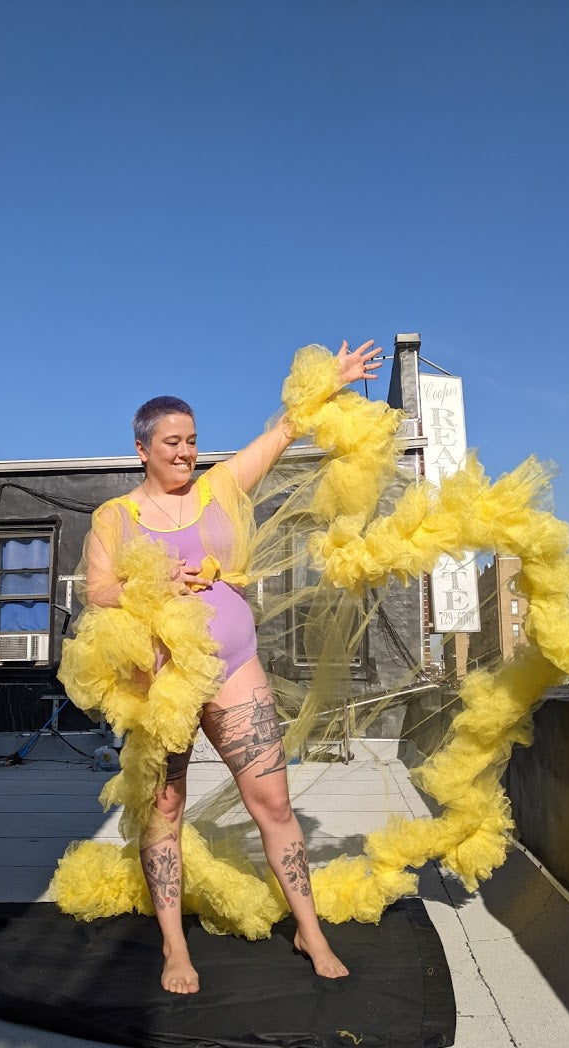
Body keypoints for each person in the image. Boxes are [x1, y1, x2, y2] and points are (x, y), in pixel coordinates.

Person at [83, 340, 383, 994]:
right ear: (142, 448)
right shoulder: (115, 517)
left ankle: (310, 930)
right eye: (172, 442)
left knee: (273, 799)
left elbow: (284, 431)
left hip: (235, 666)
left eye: (192, 440)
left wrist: (329, 381)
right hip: (163, 681)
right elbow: (96, 590)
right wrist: (151, 580)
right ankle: (174, 947)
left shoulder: (219, 487)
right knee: (165, 805)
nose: (185, 452)